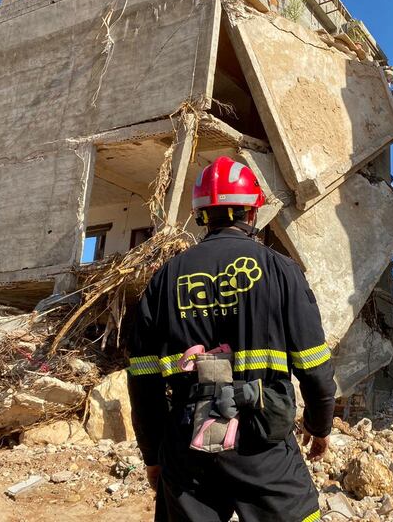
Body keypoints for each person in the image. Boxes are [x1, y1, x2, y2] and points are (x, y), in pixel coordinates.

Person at [127, 156, 336, 522]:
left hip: (187, 448)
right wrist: (319, 427)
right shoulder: (280, 271)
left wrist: (154, 456)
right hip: (262, 444)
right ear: (251, 214)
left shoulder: (164, 280)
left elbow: (143, 384)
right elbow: (315, 367)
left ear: (201, 215)